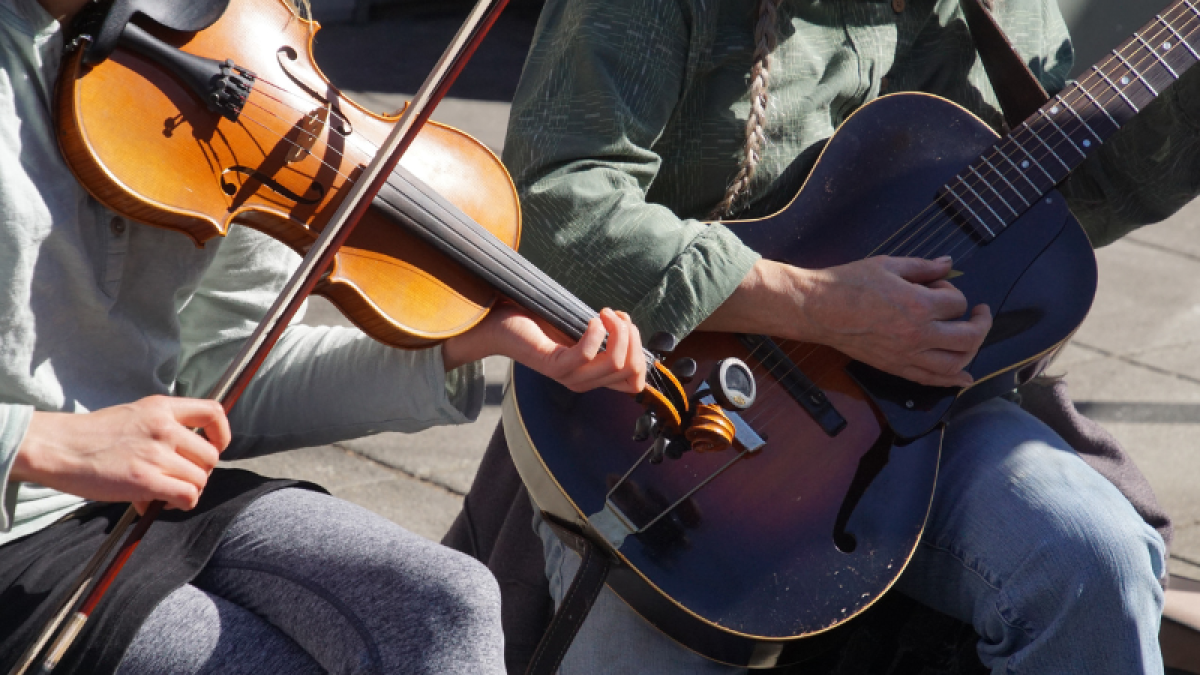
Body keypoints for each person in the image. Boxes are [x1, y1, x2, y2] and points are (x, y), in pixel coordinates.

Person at [445, 0, 1200, 672]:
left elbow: (1067, 197)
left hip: (910, 425)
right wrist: (818, 305)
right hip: (662, 411)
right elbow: (554, 204)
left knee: (1091, 555)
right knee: (661, 630)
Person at [0, 0, 649, 673]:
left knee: (448, 603)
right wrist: (37, 440)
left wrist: (473, 338)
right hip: (12, 531)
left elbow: (230, 375)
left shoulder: (227, 35)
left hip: (147, 503)